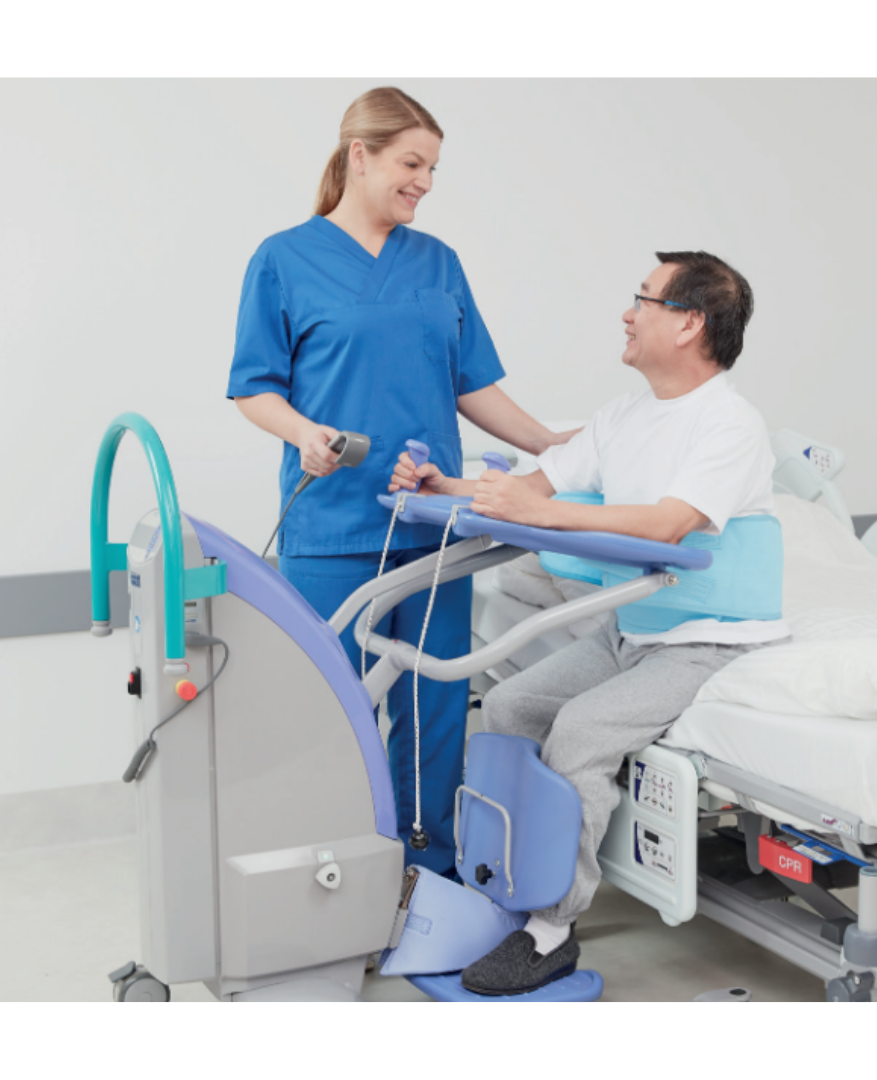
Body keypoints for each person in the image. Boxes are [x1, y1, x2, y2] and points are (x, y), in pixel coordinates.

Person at [389, 251, 790, 994]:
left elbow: (667, 524)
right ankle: (501, 882)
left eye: (642, 299)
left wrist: (540, 510)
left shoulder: (730, 423)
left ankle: (551, 929)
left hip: (707, 639)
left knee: (578, 732)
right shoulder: (624, 415)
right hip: (631, 628)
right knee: (507, 706)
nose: (627, 313)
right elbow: (535, 487)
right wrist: (448, 485)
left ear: (689, 323)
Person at [227, 87, 575, 878]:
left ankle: (431, 871)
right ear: (361, 155)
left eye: (433, 168)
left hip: (431, 525)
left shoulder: (437, 263)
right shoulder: (283, 259)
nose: (424, 182)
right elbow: (254, 387)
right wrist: (303, 433)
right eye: (412, 163)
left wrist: (550, 442)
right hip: (331, 526)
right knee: (333, 710)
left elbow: (472, 383)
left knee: (435, 703)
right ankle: (339, 874)